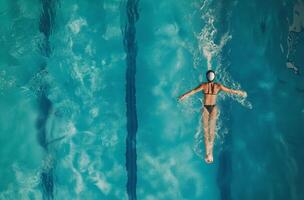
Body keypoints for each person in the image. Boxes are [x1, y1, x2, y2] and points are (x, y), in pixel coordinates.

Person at [178, 70, 247, 164]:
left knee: (206, 131)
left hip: (206, 108)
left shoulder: (203, 85)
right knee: (211, 131)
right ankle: (210, 154)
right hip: (213, 108)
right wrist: (240, 92)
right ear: (214, 77)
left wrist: (183, 96)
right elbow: (231, 91)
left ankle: (208, 154)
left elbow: (193, 91)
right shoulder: (218, 86)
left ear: (207, 77)